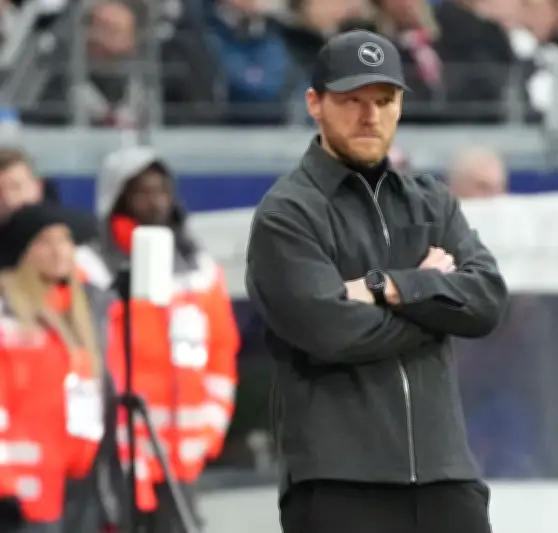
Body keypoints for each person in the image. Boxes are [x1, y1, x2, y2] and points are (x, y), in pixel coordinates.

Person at [245, 29, 508, 533]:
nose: (370, 116)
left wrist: (383, 286)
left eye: (384, 101)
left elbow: (488, 301)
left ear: (400, 107)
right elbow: (330, 331)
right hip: (340, 483)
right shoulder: (288, 213)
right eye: (352, 100)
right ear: (315, 104)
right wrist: (433, 310)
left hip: (447, 479)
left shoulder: (431, 200)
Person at [90, 147, 240, 533]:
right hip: (113, 454)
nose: (155, 202)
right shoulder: (92, 269)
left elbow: (221, 350)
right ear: (117, 198)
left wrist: (211, 425)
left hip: (181, 454)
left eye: (161, 190)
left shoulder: (199, 269)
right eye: (142, 192)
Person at [0, 204, 111, 533]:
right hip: (16, 494)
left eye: (65, 240)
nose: (59, 251)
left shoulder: (75, 313)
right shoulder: (7, 318)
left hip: (64, 485)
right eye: (44, 242)